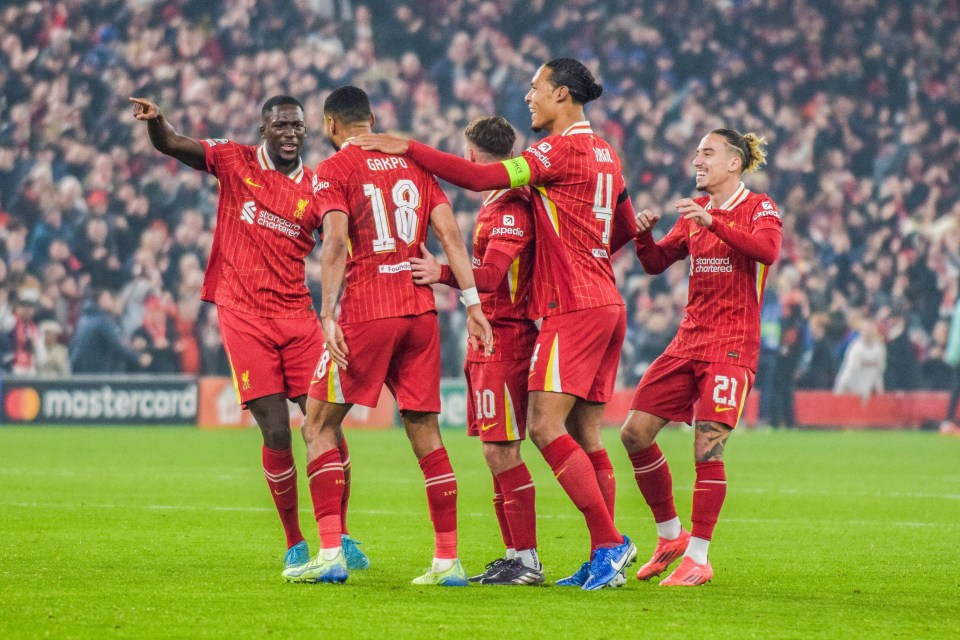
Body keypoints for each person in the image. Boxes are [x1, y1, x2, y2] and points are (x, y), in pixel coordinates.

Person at [354, 58, 638, 591]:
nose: (527, 97)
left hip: (572, 306)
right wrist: (583, 253)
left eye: (533, 89)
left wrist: (409, 148)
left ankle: (609, 545)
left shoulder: (558, 150)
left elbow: (482, 177)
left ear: (560, 94)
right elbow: (620, 231)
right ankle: (604, 555)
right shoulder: (607, 154)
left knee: (542, 427)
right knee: (585, 434)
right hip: (605, 301)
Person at [129, 94, 368, 571]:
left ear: (307, 131)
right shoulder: (236, 161)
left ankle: (337, 536)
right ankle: (296, 541)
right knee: (277, 431)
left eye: (298, 126)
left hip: (299, 318)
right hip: (243, 315)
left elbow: (341, 244)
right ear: (264, 130)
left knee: (325, 425)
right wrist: (158, 122)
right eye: (281, 125)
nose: (290, 133)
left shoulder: (320, 186)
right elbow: (175, 145)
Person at [281, 86, 493, 586]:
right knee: (424, 431)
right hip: (420, 313)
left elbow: (334, 242)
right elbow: (451, 236)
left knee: (317, 426)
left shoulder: (332, 171)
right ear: (372, 119)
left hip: (367, 312)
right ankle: (447, 561)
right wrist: (473, 304)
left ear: (331, 126)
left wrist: (328, 314)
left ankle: (330, 554)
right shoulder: (413, 162)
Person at [620, 129, 782, 586]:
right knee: (634, 435)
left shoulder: (759, 207)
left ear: (734, 163)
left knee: (707, 446)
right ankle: (670, 535)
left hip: (732, 344)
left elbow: (768, 251)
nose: (698, 159)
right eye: (696, 152)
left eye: (707, 153)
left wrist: (714, 224)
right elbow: (655, 264)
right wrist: (643, 238)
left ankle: (698, 557)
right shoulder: (695, 214)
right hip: (688, 341)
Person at [409, 116, 542, 585]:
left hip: (506, 337)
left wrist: (439, 272)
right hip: (488, 337)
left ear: (471, 155)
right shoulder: (496, 202)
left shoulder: (510, 207)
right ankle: (513, 554)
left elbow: (489, 277)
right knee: (494, 452)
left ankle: (527, 560)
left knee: (502, 451)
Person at [69, 288, 151, 373]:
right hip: (95, 372)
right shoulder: (101, 321)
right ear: (101, 299)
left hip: (81, 370)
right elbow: (117, 345)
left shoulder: (86, 317)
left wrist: (130, 345)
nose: (111, 302)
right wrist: (138, 358)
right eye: (108, 298)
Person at [833, 318, 886, 403]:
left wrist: (880, 391)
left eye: (871, 330)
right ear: (861, 332)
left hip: (870, 390)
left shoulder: (880, 349)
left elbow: (879, 371)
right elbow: (850, 370)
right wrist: (839, 391)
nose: (868, 333)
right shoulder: (856, 348)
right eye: (866, 330)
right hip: (851, 389)